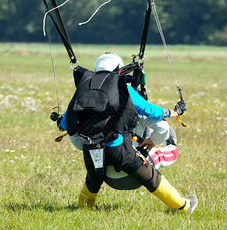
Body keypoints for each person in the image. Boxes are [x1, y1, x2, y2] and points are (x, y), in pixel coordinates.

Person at [58, 53, 197, 213]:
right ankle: (183, 206)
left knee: (93, 180)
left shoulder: (83, 87)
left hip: (90, 150)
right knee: (151, 177)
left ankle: (85, 209)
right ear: (119, 69)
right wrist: (173, 112)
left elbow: (65, 122)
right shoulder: (123, 87)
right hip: (118, 150)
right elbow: (148, 109)